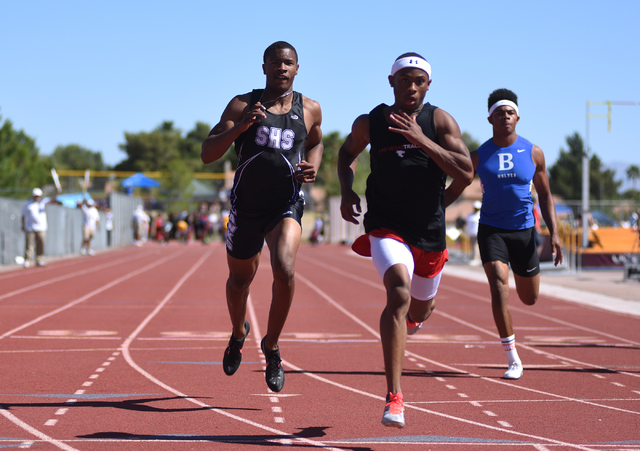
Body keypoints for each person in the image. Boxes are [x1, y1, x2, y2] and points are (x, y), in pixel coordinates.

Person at [337, 53, 473, 427]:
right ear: (391, 82)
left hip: (428, 230)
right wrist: (347, 191)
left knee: (419, 309)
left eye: (418, 81)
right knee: (398, 291)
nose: (410, 87)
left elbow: (465, 171)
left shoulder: (439, 120)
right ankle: (394, 397)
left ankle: (414, 319)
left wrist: (420, 140)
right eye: (403, 80)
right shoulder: (372, 121)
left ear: (428, 84)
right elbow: (346, 153)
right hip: (385, 224)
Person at [201, 41, 323, 393]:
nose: (281, 68)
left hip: (285, 204)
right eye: (275, 62)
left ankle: (271, 346)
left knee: (284, 268)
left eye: (288, 63)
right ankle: (239, 332)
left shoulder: (310, 108)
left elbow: (316, 142)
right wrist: (240, 128)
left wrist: (311, 166)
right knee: (239, 282)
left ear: (297, 69)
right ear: (264, 67)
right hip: (247, 206)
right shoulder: (242, 104)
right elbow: (208, 153)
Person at [446, 88, 563, 380]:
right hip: (491, 230)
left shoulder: (533, 152)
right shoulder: (479, 155)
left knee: (529, 298)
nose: (505, 117)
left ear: (518, 117)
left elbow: (546, 195)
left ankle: (514, 339)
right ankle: (512, 358)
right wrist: (432, 211)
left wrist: (555, 234)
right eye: (499, 113)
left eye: (509, 112)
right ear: (490, 118)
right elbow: (457, 187)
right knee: (499, 285)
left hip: (524, 231)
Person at [21, 188, 58, 268]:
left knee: (41, 244)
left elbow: (52, 199)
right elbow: (23, 215)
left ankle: (39, 259)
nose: (36, 197)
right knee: (29, 245)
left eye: (38, 196)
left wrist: (57, 192)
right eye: (35, 196)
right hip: (30, 228)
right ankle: (28, 260)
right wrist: (23, 225)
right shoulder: (28, 204)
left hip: (41, 228)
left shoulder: (43, 203)